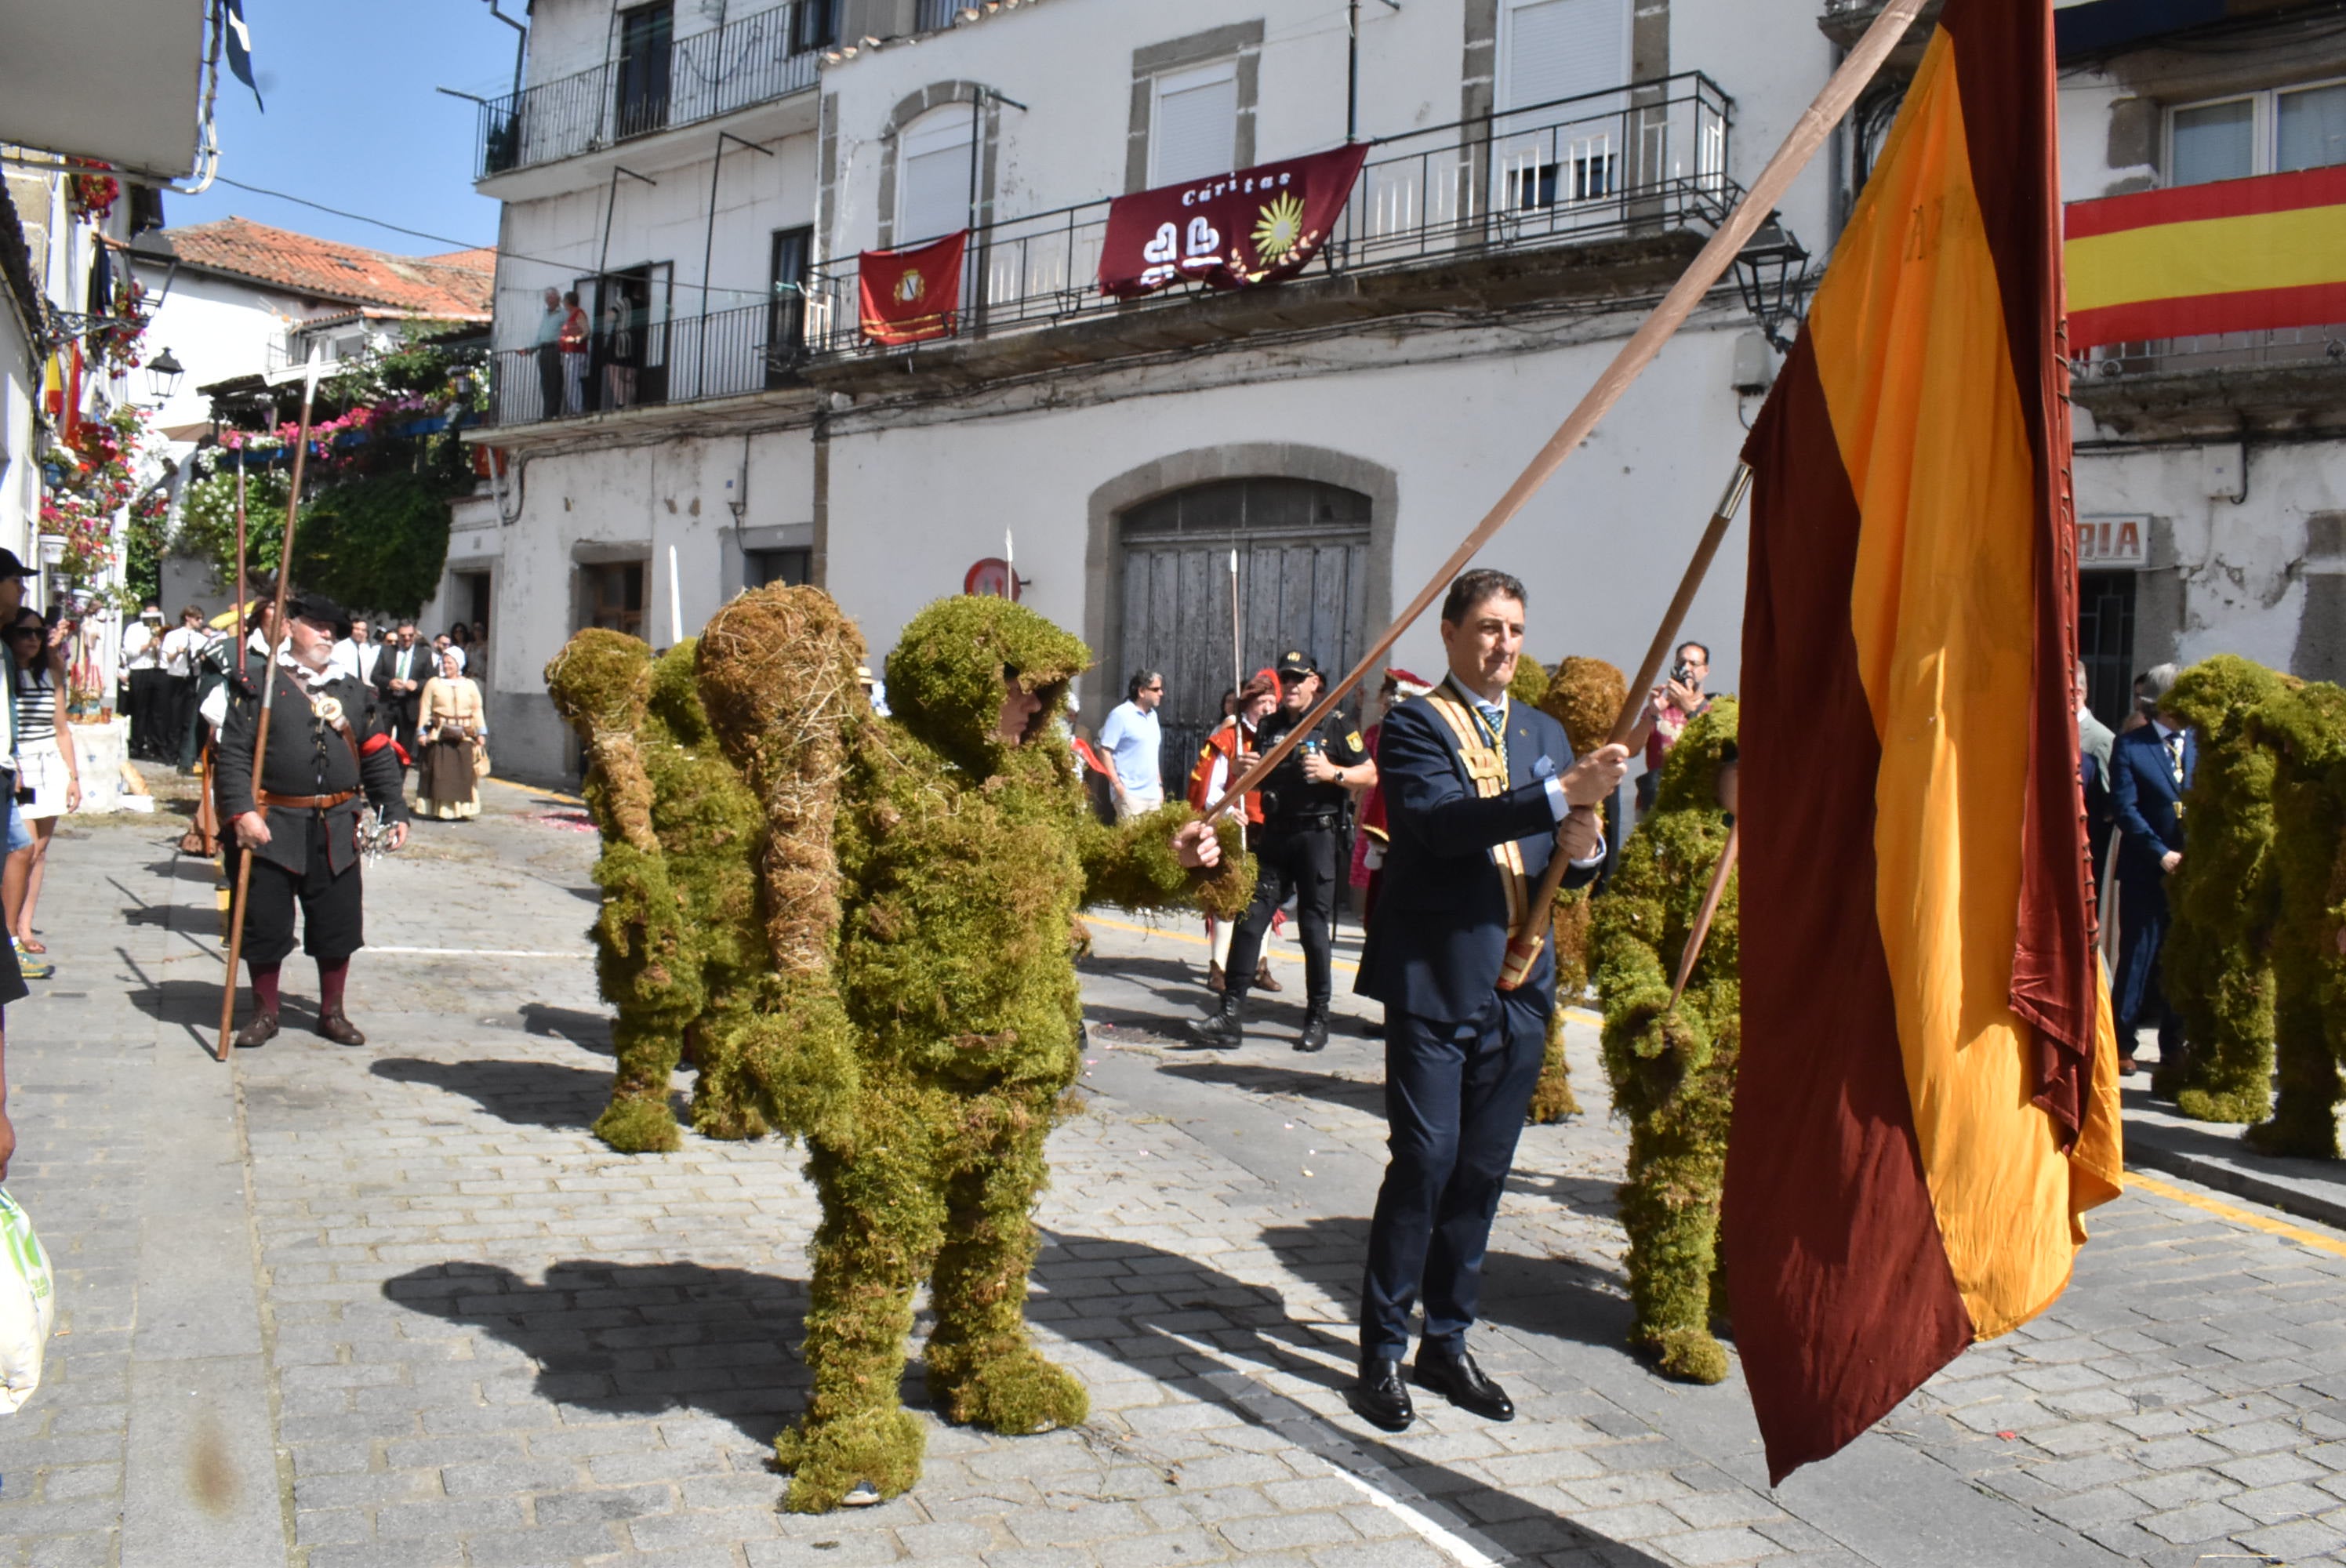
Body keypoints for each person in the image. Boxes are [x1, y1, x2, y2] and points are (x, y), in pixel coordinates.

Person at [1342, 570, 1628, 1434]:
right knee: (1426, 1162)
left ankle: (1447, 1340)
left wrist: (1582, 846)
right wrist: (1556, 795)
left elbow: (1582, 862)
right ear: (1451, 631)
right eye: (1489, 627)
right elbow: (1438, 824)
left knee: (1480, 1173)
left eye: (1515, 629)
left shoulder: (1546, 730)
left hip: (1520, 984)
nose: (1504, 644)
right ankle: (1382, 1350)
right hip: (1435, 975)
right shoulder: (1415, 724)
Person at [213, 590, 411, 1047]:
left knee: (337, 924)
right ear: (288, 627)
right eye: (317, 625)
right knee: (263, 924)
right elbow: (235, 757)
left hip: (338, 825)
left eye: (334, 629)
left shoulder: (355, 692)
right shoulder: (258, 684)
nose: (328, 634)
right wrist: (241, 812)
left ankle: (332, 1013)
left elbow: (378, 756)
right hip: (272, 822)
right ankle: (265, 1012)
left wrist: (394, 809)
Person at [1191, 648, 1376, 1053]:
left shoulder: (1335, 722)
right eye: (1285, 678)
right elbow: (1259, 775)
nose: (1290, 685)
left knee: (1313, 931)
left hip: (1317, 837)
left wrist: (1333, 773)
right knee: (1250, 922)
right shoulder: (1270, 725)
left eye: (1299, 678)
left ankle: (1317, 1017)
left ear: (1315, 683)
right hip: (1275, 835)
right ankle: (1230, 1014)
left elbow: (1370, 773)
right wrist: (1243, 771)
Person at [2109, 662, 2194, 1080]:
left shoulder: (2199, 744)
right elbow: (2126, 808)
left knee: (2180, 959)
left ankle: (2173, 1045)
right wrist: (2161, 852)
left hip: (2191, 872)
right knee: (2139, 956)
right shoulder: (2131, 746)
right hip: (2147, 868)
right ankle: (2121, 1042)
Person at [1188, 670, 1280, 991]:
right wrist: (1230, 811)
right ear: (1247, 705)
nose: (1268, 708)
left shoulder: (1281, 740)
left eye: (1272, 702)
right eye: (1262, 702)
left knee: (1267, 898)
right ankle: (1219, 967)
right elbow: (1208, 788)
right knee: (1228, 895)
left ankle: (1260, 964)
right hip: (1235, 828)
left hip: (1270, 828)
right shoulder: (1229, 739)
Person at [2, 609, 75, 972]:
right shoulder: (7, 674)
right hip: (22, 768)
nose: (31, 639)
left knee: (41, 851)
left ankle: (24, 925)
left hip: (50, 767)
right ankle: (11, 928)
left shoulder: (52, 671)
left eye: (37, 633)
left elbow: (61, 727)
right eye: (23, 632)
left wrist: (74, 775)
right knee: (24, 848)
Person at [1633, 639, 1710, 813]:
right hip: (1657, 802)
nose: (1687, 668)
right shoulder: (1661, 708)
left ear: (1705, 670)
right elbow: (1631, 750)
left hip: (1697, 805)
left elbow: (1718, 751)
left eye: (1694, 664)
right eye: (1682, 662)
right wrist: (1651, 714)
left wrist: (1689, 710)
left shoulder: (1713, 709)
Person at [415, 647, 487, 821]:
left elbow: (477, 709)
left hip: (464, 734)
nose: (446, 665)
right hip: (440, 734)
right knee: (440, 775)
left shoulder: (470, 685)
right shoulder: (434, 683)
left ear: (458, 664)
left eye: (450, 662)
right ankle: (441, 810)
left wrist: (481, 732)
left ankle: (462, 810)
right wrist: (422, 732)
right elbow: (425, 708)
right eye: (444, 662)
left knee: (463, 774)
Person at [1096, 669, 1165, 821]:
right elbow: (1105, 750)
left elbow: (1152, 755)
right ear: (1141, 691)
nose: (1161, 693)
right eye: (1156, 689)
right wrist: (1118, 786)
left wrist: (1159, 788)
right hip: (1131, 795)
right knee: (1131, 843)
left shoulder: (1153, 716)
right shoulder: (1121, 715)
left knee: (1154, 844)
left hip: (1153, 796)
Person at [374, 621, 434, 764]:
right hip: (388, 703)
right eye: (403, 636)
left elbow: (431, 679)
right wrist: (389, 683)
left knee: (404, 747)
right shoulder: (386, 651)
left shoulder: (424, 654)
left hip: (409, 705)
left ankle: (400, 779)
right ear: (398, 635)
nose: (407, 639)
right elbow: (375, 676)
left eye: (410, 635)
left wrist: (417, 685)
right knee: (382, 743)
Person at [160, 605, 207, 768]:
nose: (200, 622)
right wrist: (179, 652)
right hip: (176, 677)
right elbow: (169, 659)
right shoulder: (173, 636)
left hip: (192, 678)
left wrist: (202, 657)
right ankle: (170, 754)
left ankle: (185, 754)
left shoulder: (200, 638)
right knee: (174, 718)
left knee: (189, 719)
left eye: (201, 619)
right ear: (187, 617)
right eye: (197, 618)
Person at [122, 604, 164, 759]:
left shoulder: (161, 628)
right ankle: (137, 744)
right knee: (139, 709)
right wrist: (148, 645)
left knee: (156, 711)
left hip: (156, 669)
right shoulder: (135, 628)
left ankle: (154, 744)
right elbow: (130, 651)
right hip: (139, 669)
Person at [536, 285, 567, 419]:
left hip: (555, 349)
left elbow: (568, 331)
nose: (548, 300)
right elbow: (541, 334)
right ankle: (547, 412)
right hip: (544, 350)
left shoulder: (563, 314)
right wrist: (532, 348)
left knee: (555, 381)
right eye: (547, 298)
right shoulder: (545, 314)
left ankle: (554, 412)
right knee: (545, 382)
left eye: (551, 297)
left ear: (558, 298)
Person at [558, 289, 590, 416]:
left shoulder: (578, 313)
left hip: (575, 352)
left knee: (573, 382)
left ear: (567, 301)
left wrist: (576, 339)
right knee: (569, 382)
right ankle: (574, 408)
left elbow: (586, 331)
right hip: (569, 352)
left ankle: (577, 409)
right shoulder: (571, 314)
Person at [603, 296, 637, 409]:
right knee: (629, 378)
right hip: (635, 347)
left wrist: (609, 313)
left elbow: (611, 316)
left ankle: (622, 402)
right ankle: (629, 403)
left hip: (619, 346)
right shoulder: (642, 303)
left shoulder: (624, 301)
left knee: (615, 375)